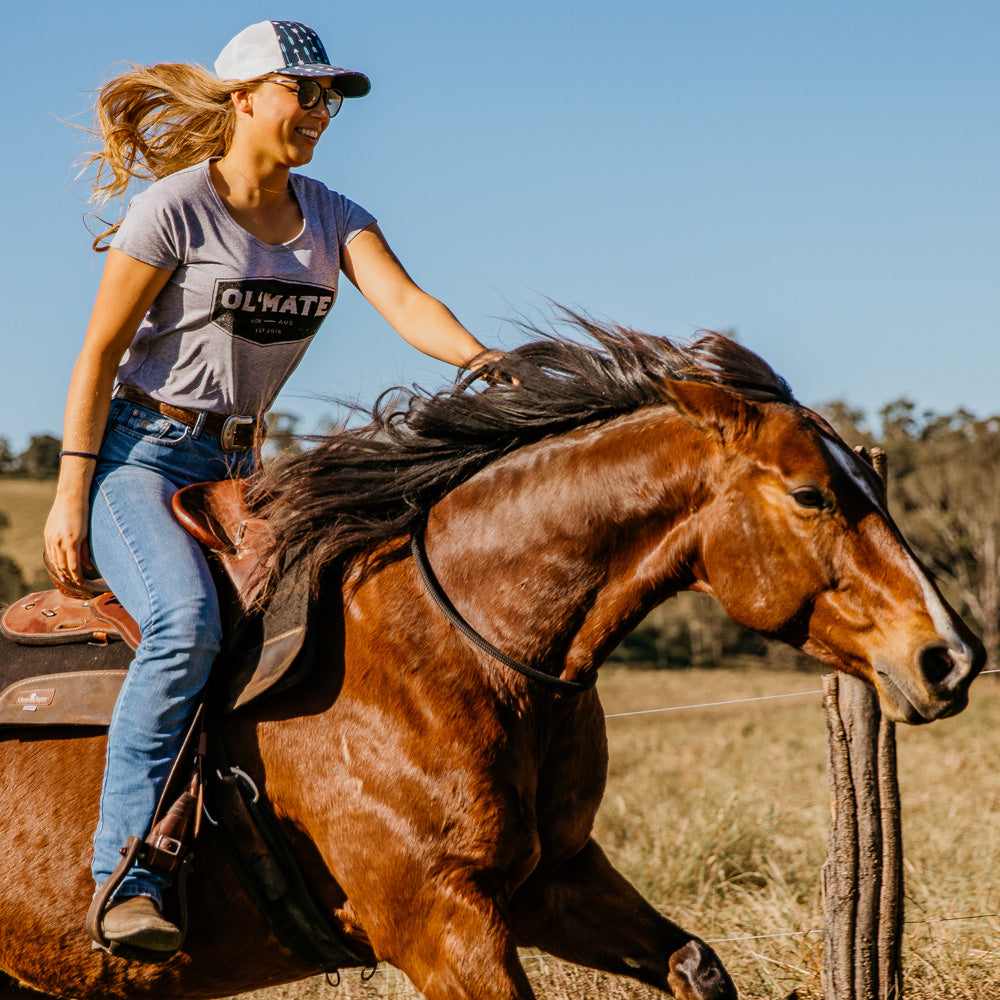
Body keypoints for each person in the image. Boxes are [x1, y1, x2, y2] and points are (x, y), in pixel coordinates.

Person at [43, 19, 497, 956]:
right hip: (142, 459)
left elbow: (409, 305)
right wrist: (68, 492)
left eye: (331, 97)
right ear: (246, 97)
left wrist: (485, 361)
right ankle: (127, 873)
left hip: (244, 469)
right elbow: (95, 356)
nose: (323, 112)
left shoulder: (333, 215)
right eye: (307, 92)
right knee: (185, 627)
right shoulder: (174, 208)